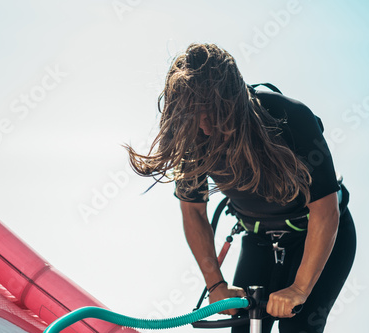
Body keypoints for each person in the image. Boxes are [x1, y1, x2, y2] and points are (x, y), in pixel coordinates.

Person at [125, 43, 356, 333]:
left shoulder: (290, 117)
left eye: (213, 116)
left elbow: (325, 209)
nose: (206, 128)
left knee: (297, 327)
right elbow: (194, 213)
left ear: (232, 102)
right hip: (259, 239)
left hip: (319, 232)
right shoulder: (192, 139)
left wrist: (299, 288)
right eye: (198, 118)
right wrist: (216, 285)